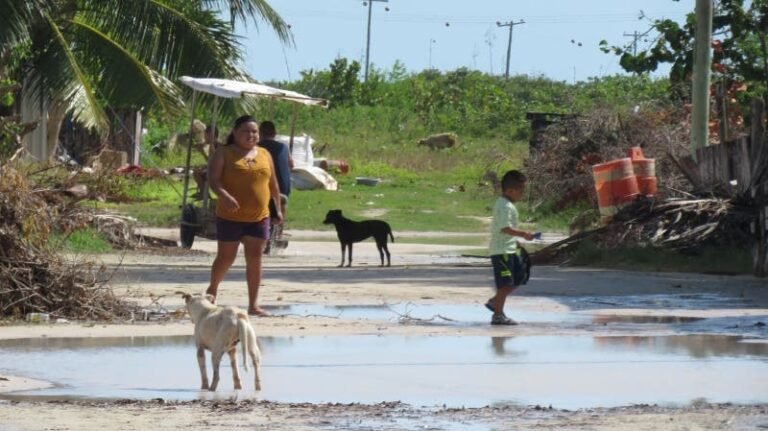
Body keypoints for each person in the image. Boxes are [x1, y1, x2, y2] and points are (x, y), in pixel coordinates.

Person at [205, 115, 283, 316]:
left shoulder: (265, 153)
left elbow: (273, 184)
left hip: (259, 217)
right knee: (225, 258)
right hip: (229, 217)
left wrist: (278, 209)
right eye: (246, 131)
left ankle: (253, 305)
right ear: (235, 132)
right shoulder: (224, 153)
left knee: (255, 259)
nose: (251, 135)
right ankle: (212, 290)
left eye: (254, 131)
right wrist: (225, 196)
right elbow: (213, 180)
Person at [485, 170, 536, 325]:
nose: (522, 194)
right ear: (509, 190)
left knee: (519, 278)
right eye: (520, 191)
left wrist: (517, 242)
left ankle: (495, 302)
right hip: (502, 252)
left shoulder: (509, 205)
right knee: (505, 283)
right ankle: (498, 315)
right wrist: (523, 234)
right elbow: (505, 228)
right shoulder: (505, 206)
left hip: (510, 249)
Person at [192, 125, 221, 198]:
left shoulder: (214, 146)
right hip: (216, 169)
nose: (204, 138)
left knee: (196, 173)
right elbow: (211, 161)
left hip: (218, 173)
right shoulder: (215, 144)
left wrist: (202, 152)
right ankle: (204, 193)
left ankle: (204, 194)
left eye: (205, 136)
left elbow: (213, 163)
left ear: (210, 135)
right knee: (198, 169)